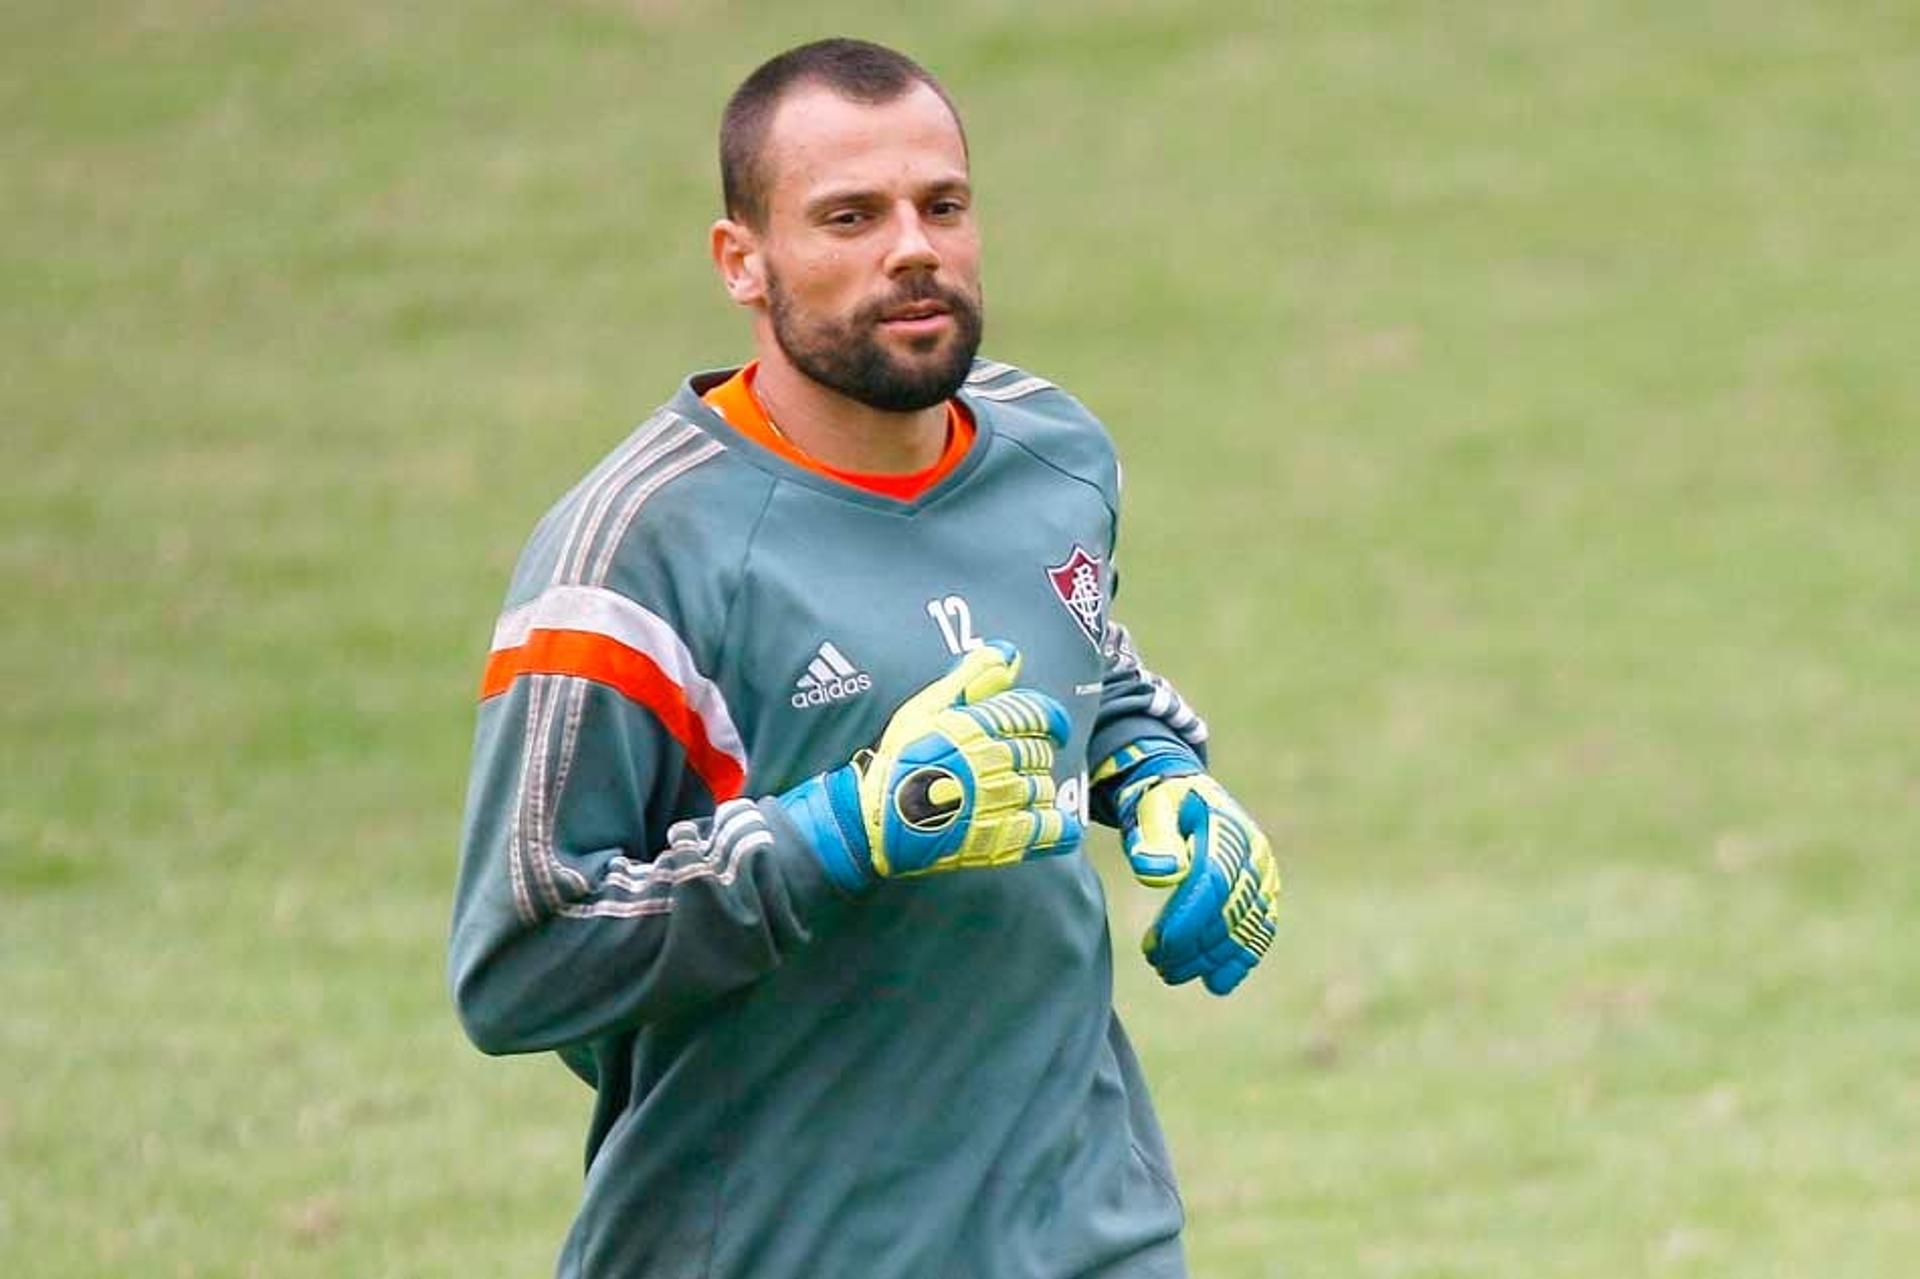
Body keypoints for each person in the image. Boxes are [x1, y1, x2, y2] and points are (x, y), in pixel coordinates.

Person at [449, 37, 1282, 1279]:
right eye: (850, 216)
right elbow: (519, 961)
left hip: (1085, 1233)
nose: (913, 247)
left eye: (941, 206)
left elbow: (1085, 673)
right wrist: (840, 832)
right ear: (743, 260)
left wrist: (1165, 778)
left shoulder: (1052, 455)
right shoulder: (634, 554)